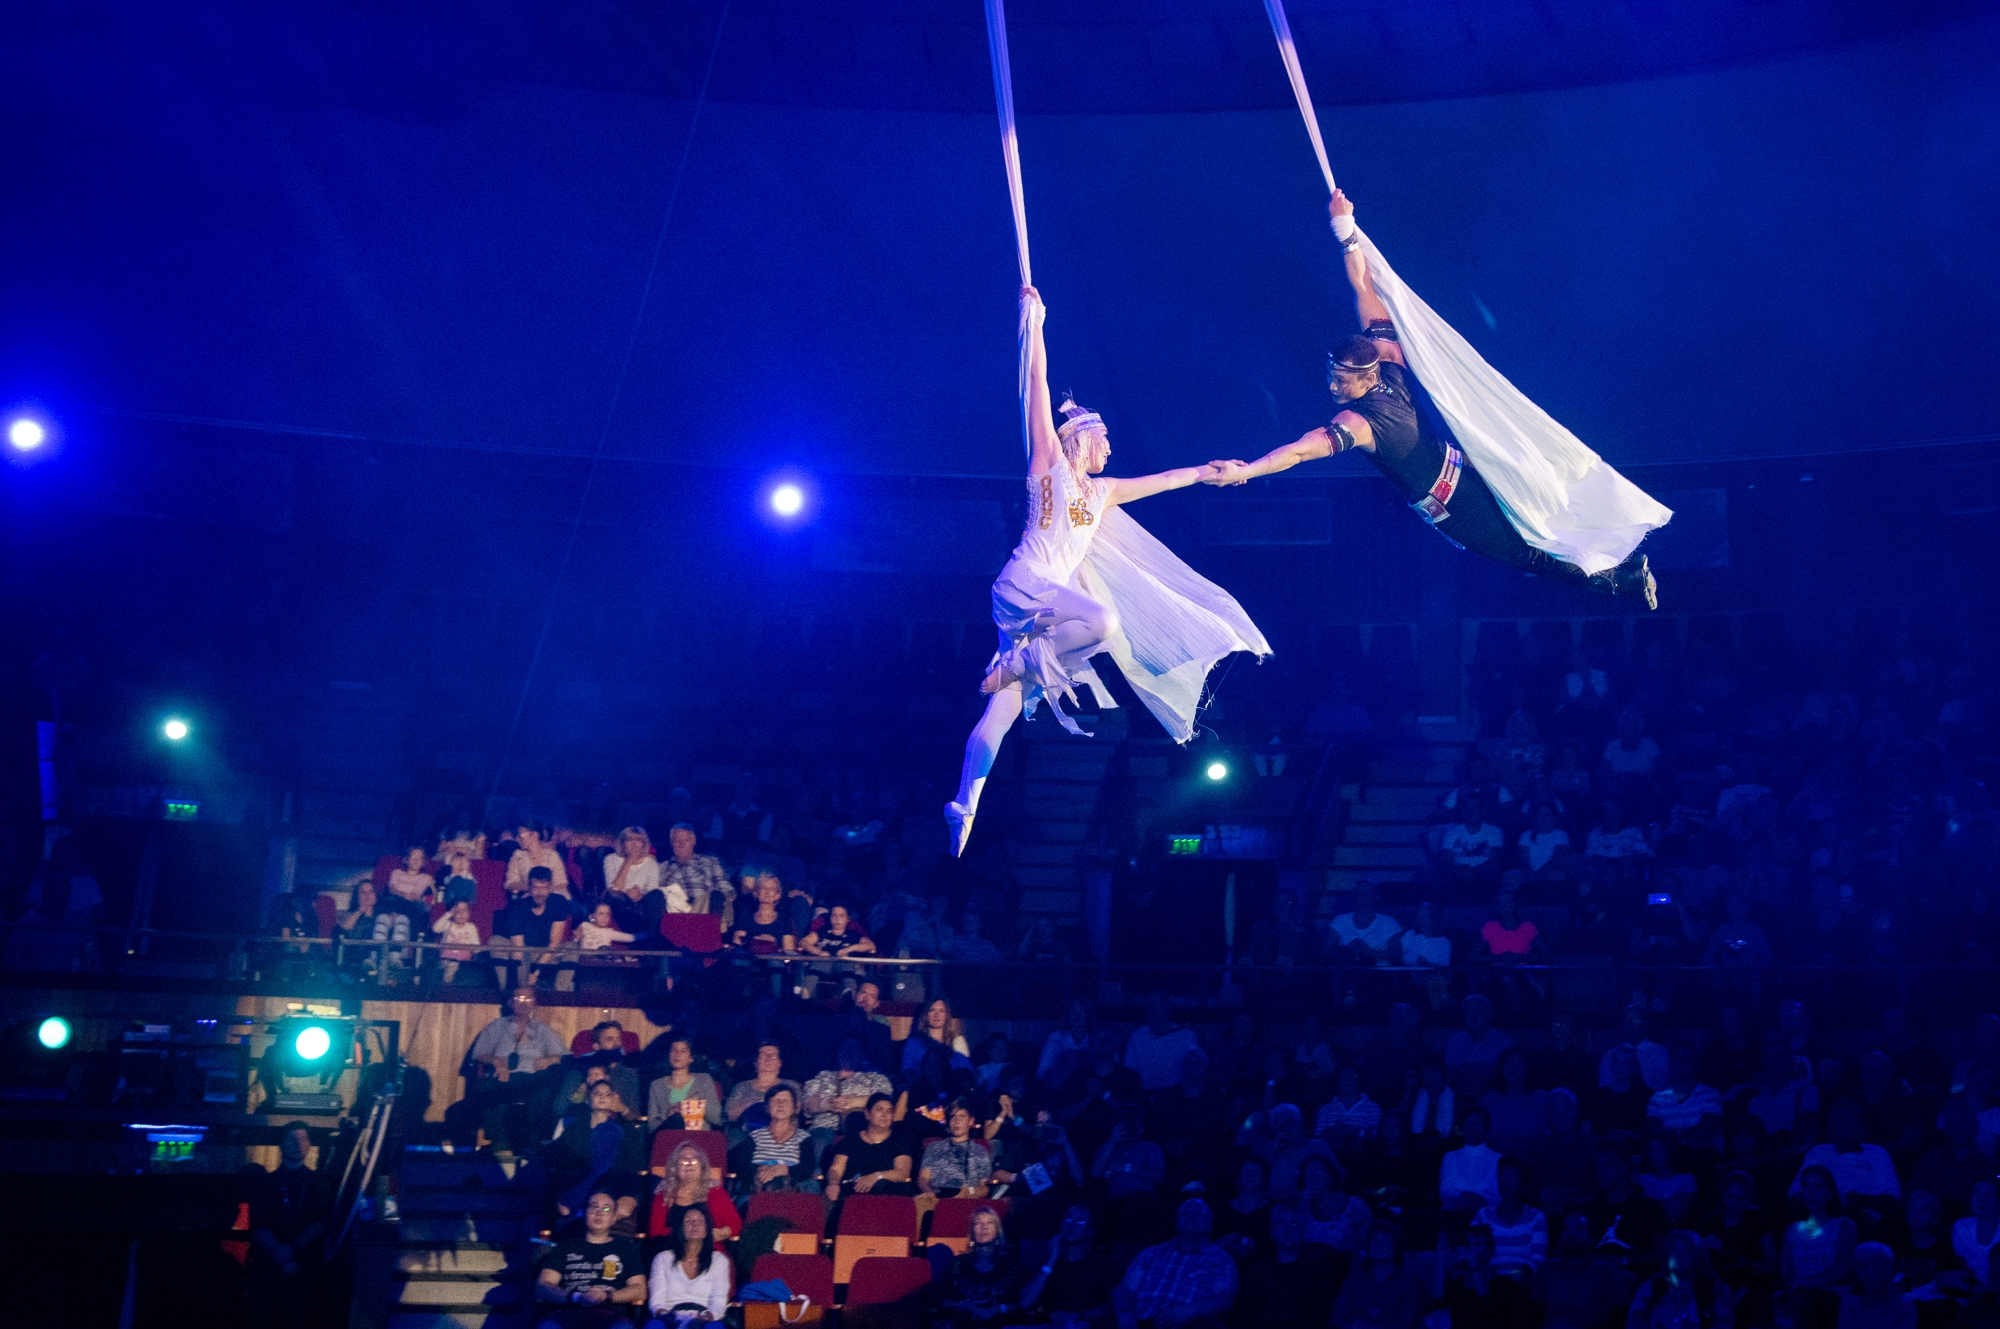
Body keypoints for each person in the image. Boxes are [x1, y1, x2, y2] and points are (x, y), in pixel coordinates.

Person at [1204, 187, 1658, 606]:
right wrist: (1344, 230)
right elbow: (1363, 285)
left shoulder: (1359, 424)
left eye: (1341, 381)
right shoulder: (1393, 364)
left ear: (1365, 377)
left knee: (1529, 555)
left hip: (1453, 501)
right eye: (1330, 377)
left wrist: (1253, 468)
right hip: (1461, 468)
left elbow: (1302, 451)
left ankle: (1622, 578)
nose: (1332, 387)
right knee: (1534, 528)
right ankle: (1621, 566)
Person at [945, 284, 1265, 856]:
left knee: (1003, 711)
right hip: (1027, 586)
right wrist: (1034, 324)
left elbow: (1170, 479)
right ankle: (1016, 662)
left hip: (1045, 608)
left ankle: (965, 802)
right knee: (1104, 621)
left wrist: (1213, 470)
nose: (1111, 449)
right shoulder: (1047, 468)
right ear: (1082, 440)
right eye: (1106, 439)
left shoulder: (1103, 491)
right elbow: (1034, 392)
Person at [459, 987, 568, 1154]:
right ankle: (499, 1140)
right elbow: (479, 1055)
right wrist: (496, 1061)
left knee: (547, 1084)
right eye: (519, 998)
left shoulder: (543, 1030)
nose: (523, 1003)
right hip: (504, 1076)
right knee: (483, 1087)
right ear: (510, 1003)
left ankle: (534, 1142)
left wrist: (549, 1059)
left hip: (534, 1078)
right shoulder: (497, 1026)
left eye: (528, 999)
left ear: (534, 1004)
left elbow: (564, 1057)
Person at [245, 1122, 331, 1329]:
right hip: (268, 1270)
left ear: (309, 1145)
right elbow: (258, 1222)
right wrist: (281, 1255)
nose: (297, 1144)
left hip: (303, 1268)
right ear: (281, 1145)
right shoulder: (265, 1183)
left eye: (302, 1139)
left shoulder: (320, 1183)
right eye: (291, 1138)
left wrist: (291, 1249)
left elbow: (321, 1221)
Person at [1111, 1197, 1237, 1329]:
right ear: (1176, 1220)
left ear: (1210, 1224)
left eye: (1199, 1214)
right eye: (1185, 1212)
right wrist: (1125, 1312)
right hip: (1140, 1320)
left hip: (1191, 1322)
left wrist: (1189, 1310)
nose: (1191, 1216)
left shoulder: (1220, 1259)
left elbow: (1224, 1299)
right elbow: (1125, 1289)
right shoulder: (1151, 1253)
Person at [533, 1188, 645, 1329]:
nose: (599, 1212)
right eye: (593, 1207)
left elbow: (640, 1289)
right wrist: (576, 1297)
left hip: (610, 1313)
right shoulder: (566, 1247)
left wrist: (607, 1296)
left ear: (613, 1218)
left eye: (606, 1209)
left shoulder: (624, 1248)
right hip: (570, 1310)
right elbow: (543, 1285)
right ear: (585, 1212)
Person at [543, 1079, 646, 1228]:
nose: (602, 1097)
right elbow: (561, 1159)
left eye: (607, 1094)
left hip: (613, 1184)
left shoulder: (625, 1130)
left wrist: (629, 1195)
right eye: (597, 1093)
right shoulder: (576, 1128)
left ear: (613, 1099)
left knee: (623, 1207)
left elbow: (631, 1165)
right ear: (589, 1099)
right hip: (580, 1183)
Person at [1235, 1202, 1344, 1324]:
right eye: (1281, 1223)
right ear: (1272, 1231)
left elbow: (1321, 1315)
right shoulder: (1256, 1272)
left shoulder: (1319, 1270)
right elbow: (1244, 1315)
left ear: (1302, 1231)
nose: (1288, 1229)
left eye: (1294, 1223)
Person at [1020, 1204, 1119, 1327]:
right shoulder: (1047, 1265)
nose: (1072, 1225)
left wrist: (1078, 1315)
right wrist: (1052, 1259)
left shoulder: (1103, 1263)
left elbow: (1116, 1303)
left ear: (1089, 1232)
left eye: (1080, 1221)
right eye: (1069, 1219)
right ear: (1061, 1226)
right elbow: (1025, 1303)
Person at [1542, 1212, 1637, 1329]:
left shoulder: (1606, 1272)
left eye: (1579, 1228)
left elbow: (1618, 1316)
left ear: (1592, 1239)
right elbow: (1535, 1310)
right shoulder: (1547, 1268)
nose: (1571, 1233)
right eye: (1566, 1228)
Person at [1330, 1221, 1429, 1329]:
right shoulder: (1353, 1279)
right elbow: (1336, 1320)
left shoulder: (1410, 1282)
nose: (1379, 1246)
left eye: (1387, 1242)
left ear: (1397, 1248)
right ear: (1367, 1246)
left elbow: (1408, 1323)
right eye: (1374, 1241)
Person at [1629, 1231, 1737, 1329]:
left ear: (1699, 1259)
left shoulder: (1715, 1289)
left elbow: (1723, 1324)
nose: (1678, 1254)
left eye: (1687, 1250)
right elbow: (1634, 1323)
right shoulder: (1651, 1288)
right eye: (1673, 1248)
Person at [937, 1206, 1024, 1327]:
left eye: (990, 1222)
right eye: (978, 1223)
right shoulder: (957, 1264)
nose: (984, 1227)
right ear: (971, 1232)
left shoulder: (1011, 1265)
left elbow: (1023, 1303)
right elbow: (939, 1299)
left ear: (998, 1230)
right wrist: (961, 1306)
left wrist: (998, 1309)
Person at [800, 1036, 894, 1149]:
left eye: (855, 1049)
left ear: (862, 1053)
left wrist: (851, 1102)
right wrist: (828, 1104)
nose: (849, 1052)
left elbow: (884, 1098)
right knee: (818, 1145)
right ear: (838, 1051)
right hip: (824, 1127)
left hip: (862, 1128)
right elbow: (808, 1104)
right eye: (845, 1048)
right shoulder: (823, 1077)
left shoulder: (874, 1077)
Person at [646, 1203, 729, 1325]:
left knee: (716, 1326)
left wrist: (706, 1318)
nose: (694, 1224)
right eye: (688, 1221)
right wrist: (666, 1317)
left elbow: (718, 1301)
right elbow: (656, 1302)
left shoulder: (719, 1260)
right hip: (670, 1318)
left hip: (704, 1319)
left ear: (707, 1229)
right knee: (654, 1325)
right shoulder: (662, 1259)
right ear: (680, 1228)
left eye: (699, 1220)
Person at [823, 1092, 915, 1200]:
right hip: (853, 1192)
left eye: (889, 1111)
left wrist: (875, 1177)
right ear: (867, 1114)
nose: (884, 1115)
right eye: (879, 1110)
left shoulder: (899, 1142)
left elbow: (902, 1172)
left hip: (886, 1195)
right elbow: (836, 1168)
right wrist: (834, 1183)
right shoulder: (850, 1140)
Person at [730, 1085, 819, 1195]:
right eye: (776, 1100)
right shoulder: (754, 1136)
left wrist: (784, 1170)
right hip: (756, 1192)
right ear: (767, 1108)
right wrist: (761, 1169)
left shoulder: (804, 1138)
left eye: (785, 1101)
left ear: (795, 1108)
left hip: (791, 1194)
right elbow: (742, 1167)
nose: (780, 1104)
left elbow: (806, 1169)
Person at [1780, 1166, 1856, 1291]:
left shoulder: (1844, 1226)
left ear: (1830, 1193)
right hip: (1795, 1295)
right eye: (1806, 1186)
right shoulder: (1791, 1230)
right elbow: (1784, 1274)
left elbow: (1841, 1271)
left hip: (1831, 1293)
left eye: (1818, 1186)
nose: (1811, 1192)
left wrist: (1799, 1283)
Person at [495, 868, 573, 990]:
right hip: (525, 951)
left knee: (572, 948)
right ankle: (506, 991)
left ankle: (560, 994)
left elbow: (554, 942)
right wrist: (525, 980)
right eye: (536, 887)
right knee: (496, 941)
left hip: (548, 952)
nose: (539, 893)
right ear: (529, 887)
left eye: (544, 888)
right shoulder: (517, 908)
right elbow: (518, 950)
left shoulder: (558, 902)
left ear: (550, 887)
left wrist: (536, 973)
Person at [648, 1143, 740, 1243]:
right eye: (683, 1159)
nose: (689, 1163)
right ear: (675, 1167)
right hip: (671, 1250)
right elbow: (655, 1232)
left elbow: (736, 1224)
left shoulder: (715, 1191)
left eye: (695, 1159)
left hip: (710, 1250)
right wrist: (690, 1234)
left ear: (702, 1166)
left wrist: (724, 1231)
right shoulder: (663, 1195)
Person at [1476, 1156, 1549, 1275]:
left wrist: (1511, 1276)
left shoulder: (1536, 1217)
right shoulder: (1483, 1215)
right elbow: (1473, 1253)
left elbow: (1537, 1262)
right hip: (1487, 1283)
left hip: (1521, 1285)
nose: (1506, 1181)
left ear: (1524, 1186)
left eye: (1513, 1177)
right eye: (1502, 1176)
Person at [1123, 993, 1201, 1094]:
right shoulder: (1137, 1036)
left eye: (1155, 1004)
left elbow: (1197, 1067)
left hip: (1175, 1097)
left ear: (1167, 1006)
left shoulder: (1186, 1036)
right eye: (1148, 1005)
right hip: (1144, 1095)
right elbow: (1129, 1069)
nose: (1151, 1009)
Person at [1445, 994, 1516, 1099]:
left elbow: (1509, 1078)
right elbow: (1447, 1073)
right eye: (1468, 1011)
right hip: (1457, 1099)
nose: (1473, 1015)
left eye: (1478, 1010)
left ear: (1490, 1014)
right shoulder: (1455, 1041)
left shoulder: (1504, 1043)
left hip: (1493, 1099)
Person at [657, 823, 731, 920]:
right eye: (677, 841)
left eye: (686, 840)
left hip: (706, 911)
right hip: (676, 914)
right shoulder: (663, 867)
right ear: (671, 843)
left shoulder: (710, 862)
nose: (681, 844)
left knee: (713, 897)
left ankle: (698, 924)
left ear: (693, 841)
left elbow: (726, 890)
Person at [723, 1041, 800, 1132]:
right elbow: (730, 1115)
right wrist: (753, 1105)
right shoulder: (741, 1086)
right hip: (747, 1133)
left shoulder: (790, 1085)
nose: (768, 1059)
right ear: (755, 1063)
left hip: (782, 1132)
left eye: (773, 1055)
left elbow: (796, 1110)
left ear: (780, 1063)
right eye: (763, 1055)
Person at [1839, 1242, 1916, 1329]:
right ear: (1859, 1272)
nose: (1882, 1272)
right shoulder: (1850, 1306)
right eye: (1874, 1266)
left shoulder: (1905, 1309)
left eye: (1886, 1266)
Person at [1441, 1107, 1505, 1211]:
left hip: (1487, 1213)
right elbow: (1445, 1191)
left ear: (1486, 1126)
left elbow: (1499, 1195)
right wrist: (1462, 1199)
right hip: (1455, 1211)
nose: (1473, 1127)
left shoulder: (1497, 1158)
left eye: (1478, 1123)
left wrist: (1479, 1201)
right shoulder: (1450, 1157)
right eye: (1468, 1122)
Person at [1329, 880, 1403, 963]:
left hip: (1378, 973)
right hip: (1346, 971)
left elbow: (1398, 953)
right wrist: (1347, 951)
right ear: (1354, 895)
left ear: (1375, 896)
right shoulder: (1340, 920)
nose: (1363, 895)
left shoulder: (1388, 922)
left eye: (1368, 892)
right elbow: (1326, 952)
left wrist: (1369, 951)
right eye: (1360, 891)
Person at [1955, 1179, 2000, 1292]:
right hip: (1975, 1293)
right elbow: (1966, 1272)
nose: (1980, 1199)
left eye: (1987, 1195)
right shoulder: (1961, 1227)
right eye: (1976, 1193)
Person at [507, 822, 570, 897]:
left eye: (520, 835)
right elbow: (511, 883)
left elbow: (562, 884)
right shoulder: (517, 856)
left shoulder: (552, 856)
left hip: (553, 897)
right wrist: (532, 889)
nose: (517, 839)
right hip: (528, 897)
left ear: (534, 835)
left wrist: (541, 891)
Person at [430, 900, 482, 984]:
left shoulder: (471, 927)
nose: (461, 914)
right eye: (458, 911)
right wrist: (448, 914)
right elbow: (435, 929)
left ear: (469, 913)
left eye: (464, 910)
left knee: (454, 966)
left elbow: (476, 945)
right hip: (445, 958)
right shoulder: (448, 924)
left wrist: (475, 954)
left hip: (463, 961)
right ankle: (445, 983)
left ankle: (447, 983)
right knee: (445, 966)